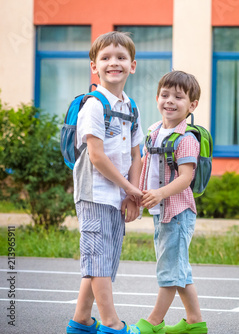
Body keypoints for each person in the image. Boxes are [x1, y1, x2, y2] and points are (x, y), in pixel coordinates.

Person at [66, 31, 144, 334]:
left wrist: (131, 194)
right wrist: (131, 189)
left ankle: (81, 321)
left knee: (105, 261)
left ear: (132, 65)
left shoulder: (130, 107)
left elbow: (137, 154)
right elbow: (96, 157)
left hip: (118, 195)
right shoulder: (94, 106)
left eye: (121, 58)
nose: (114, 63)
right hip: (94, 193)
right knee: (98, 259)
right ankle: (112, 325)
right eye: (106, 58)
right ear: (94, 66)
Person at [134, 71, 207, 334]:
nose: (170, 101)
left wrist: (161, 193)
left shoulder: (186, 138)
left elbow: (186, 178)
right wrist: (134, 191)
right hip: (160, 210)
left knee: (169, 270)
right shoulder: (154, 132)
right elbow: (143, 164)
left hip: (177, 212)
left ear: (192, 105)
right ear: (157, 98)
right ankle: (195, 322)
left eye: (178, 97)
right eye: (165, 95)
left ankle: (153, 323)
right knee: (178, 268)